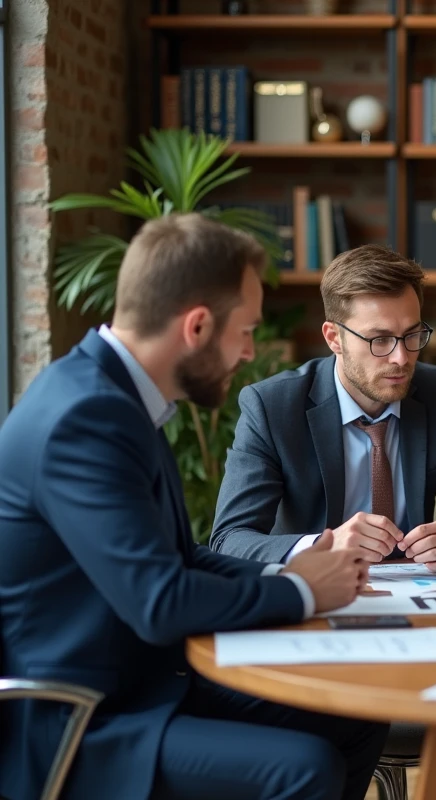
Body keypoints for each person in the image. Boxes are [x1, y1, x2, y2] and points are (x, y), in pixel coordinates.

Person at [0, 214, 388, 800]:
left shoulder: (120, 396)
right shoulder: (86, 418)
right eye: (247, 332)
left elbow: (183, 559)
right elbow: (161, 601)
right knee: (302, 767)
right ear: (198, 326)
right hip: (81, 721)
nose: (251, 352)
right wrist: (303, 591)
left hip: (145, 685)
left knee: (355, 717)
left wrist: (291, 572)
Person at [210, 244, 436, 571]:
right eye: (379, 340)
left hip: (420, 591)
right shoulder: (274, 407)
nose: (401, 357)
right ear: (334, 338)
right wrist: (322, 545)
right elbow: (229, 539)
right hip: (317, 590)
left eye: (412, 335)